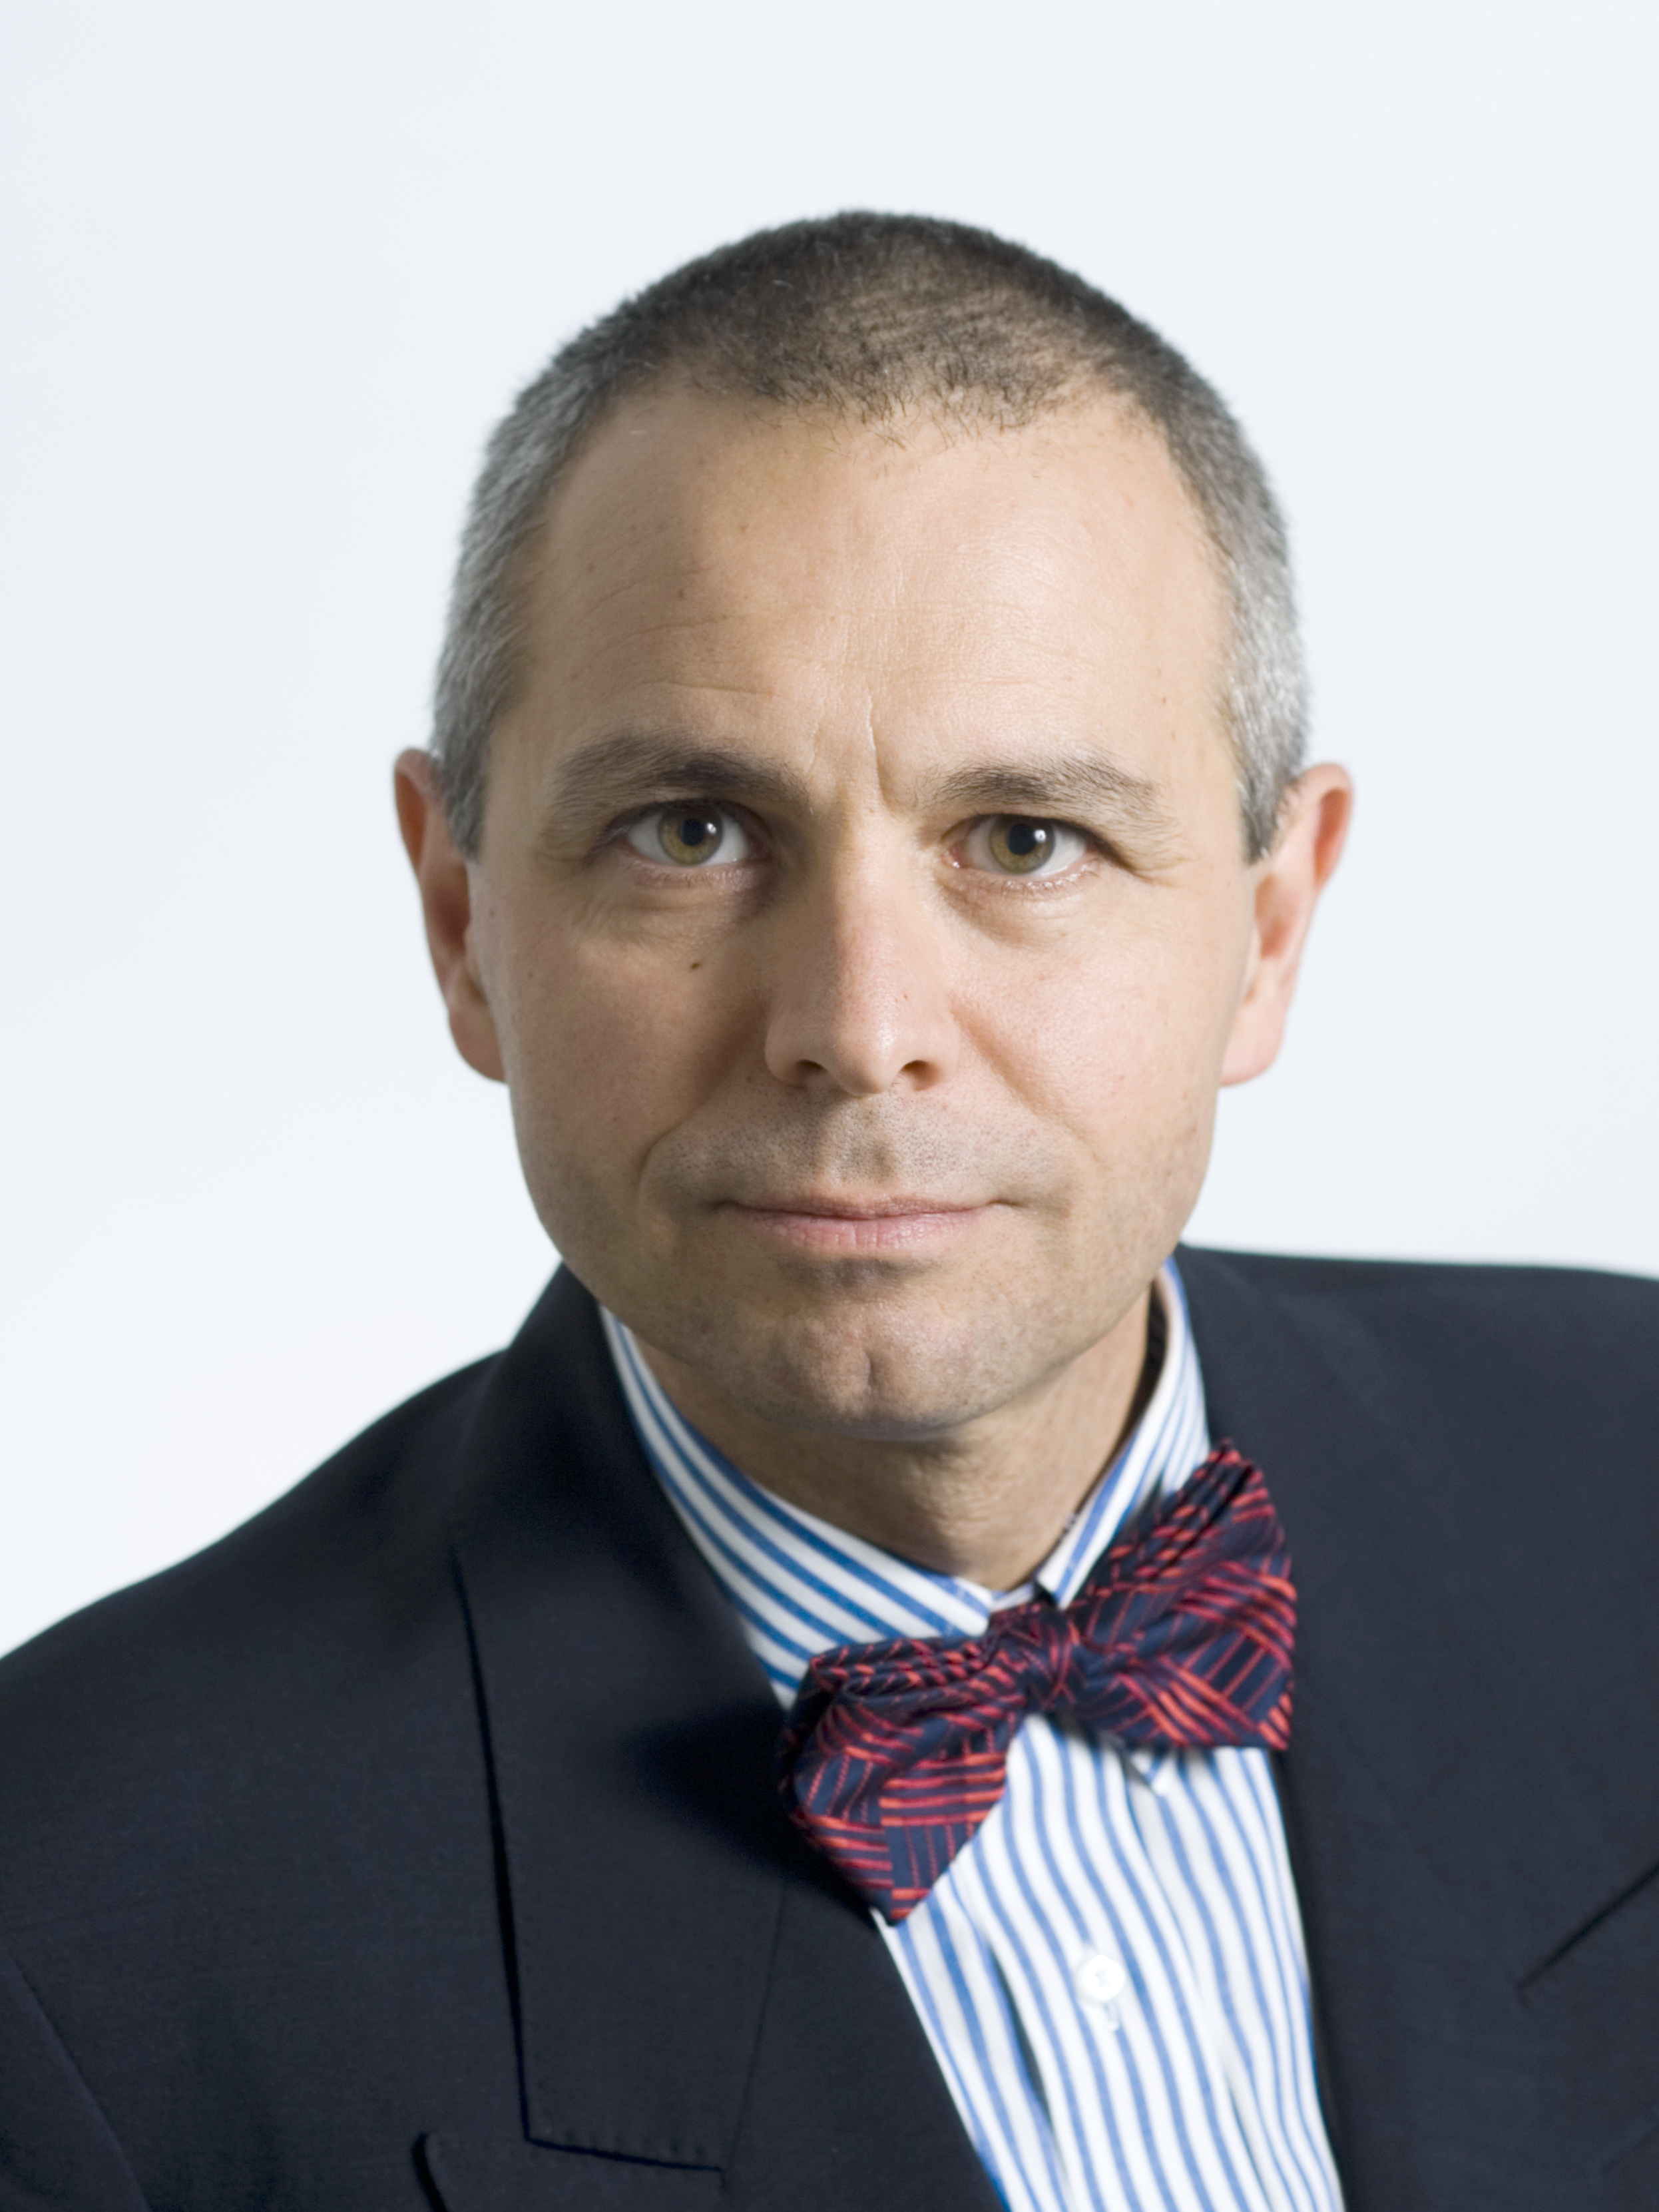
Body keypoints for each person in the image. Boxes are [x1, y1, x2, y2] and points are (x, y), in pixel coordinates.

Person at [1, 214, 1654, 2212]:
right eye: (692, 832)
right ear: (461, 922)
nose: (861, 1032)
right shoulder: (67, 1922)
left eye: (1025, 839)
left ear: (1270, 927)